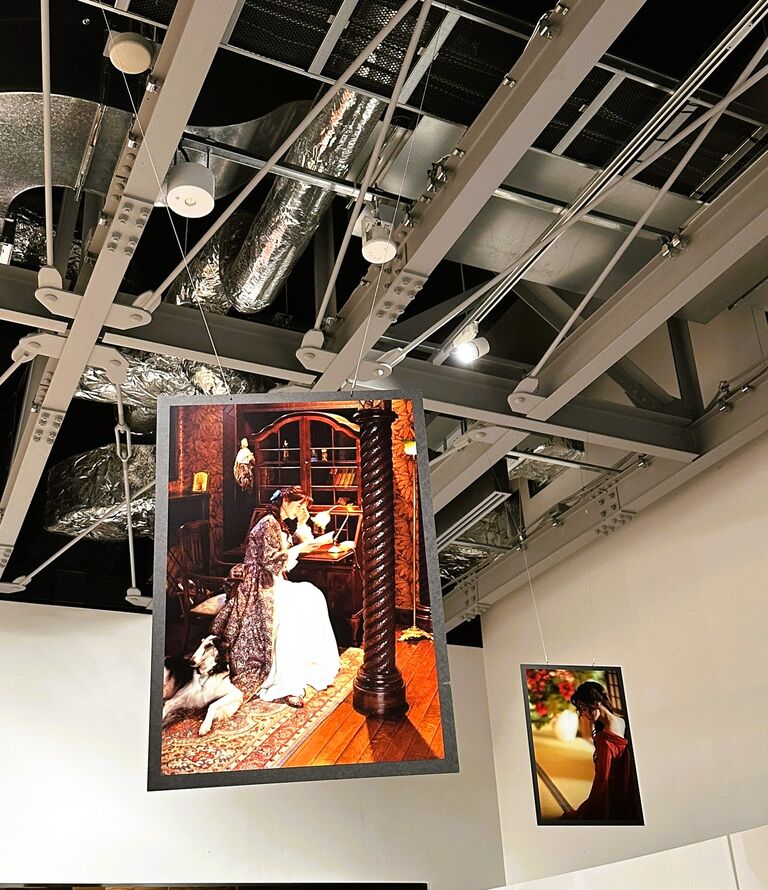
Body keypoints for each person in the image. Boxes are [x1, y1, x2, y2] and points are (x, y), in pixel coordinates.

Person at [211, 486, 339, 708]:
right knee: (294, 610)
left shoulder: (278, 523)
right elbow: (272, 561)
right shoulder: (268, 523)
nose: (300, 510)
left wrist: (302, 523)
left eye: (303, 507)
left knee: (312, 595)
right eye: (298, 505)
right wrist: (303, 547)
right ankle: (286, 681)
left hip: (273, 580)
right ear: (285, 501)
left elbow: (292, 546)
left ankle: (304, 661)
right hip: (259, 585)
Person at [560, 681, 642, 822]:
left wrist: (591, 805)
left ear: (597, 703)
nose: (583, 714)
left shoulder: (605, 739)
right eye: (581, 710)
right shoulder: (621, 721)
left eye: (584, 708)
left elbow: (601, 779)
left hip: (613, 789)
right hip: (627, 785)